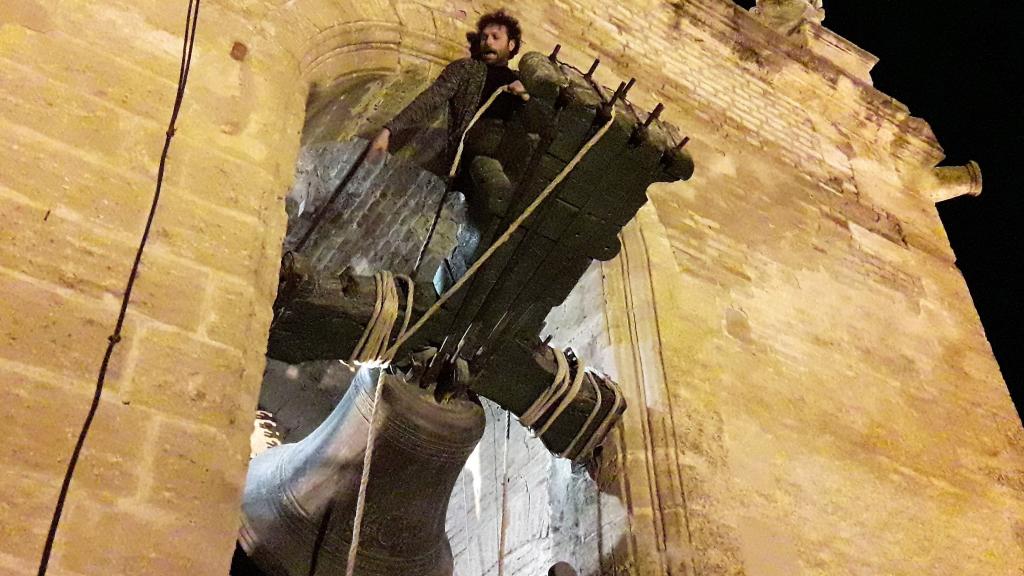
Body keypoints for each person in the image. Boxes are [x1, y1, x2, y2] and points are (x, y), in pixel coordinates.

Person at [367, 9, 530, 166]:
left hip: (501, 162)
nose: (487, 42)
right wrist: (389, 130)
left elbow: (536, 125)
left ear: (511, 44)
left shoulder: (522, 82)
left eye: (495, 37)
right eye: (484, 37)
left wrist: (525, 95)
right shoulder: (466, 69)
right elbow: (431, 99)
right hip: (462, 159)